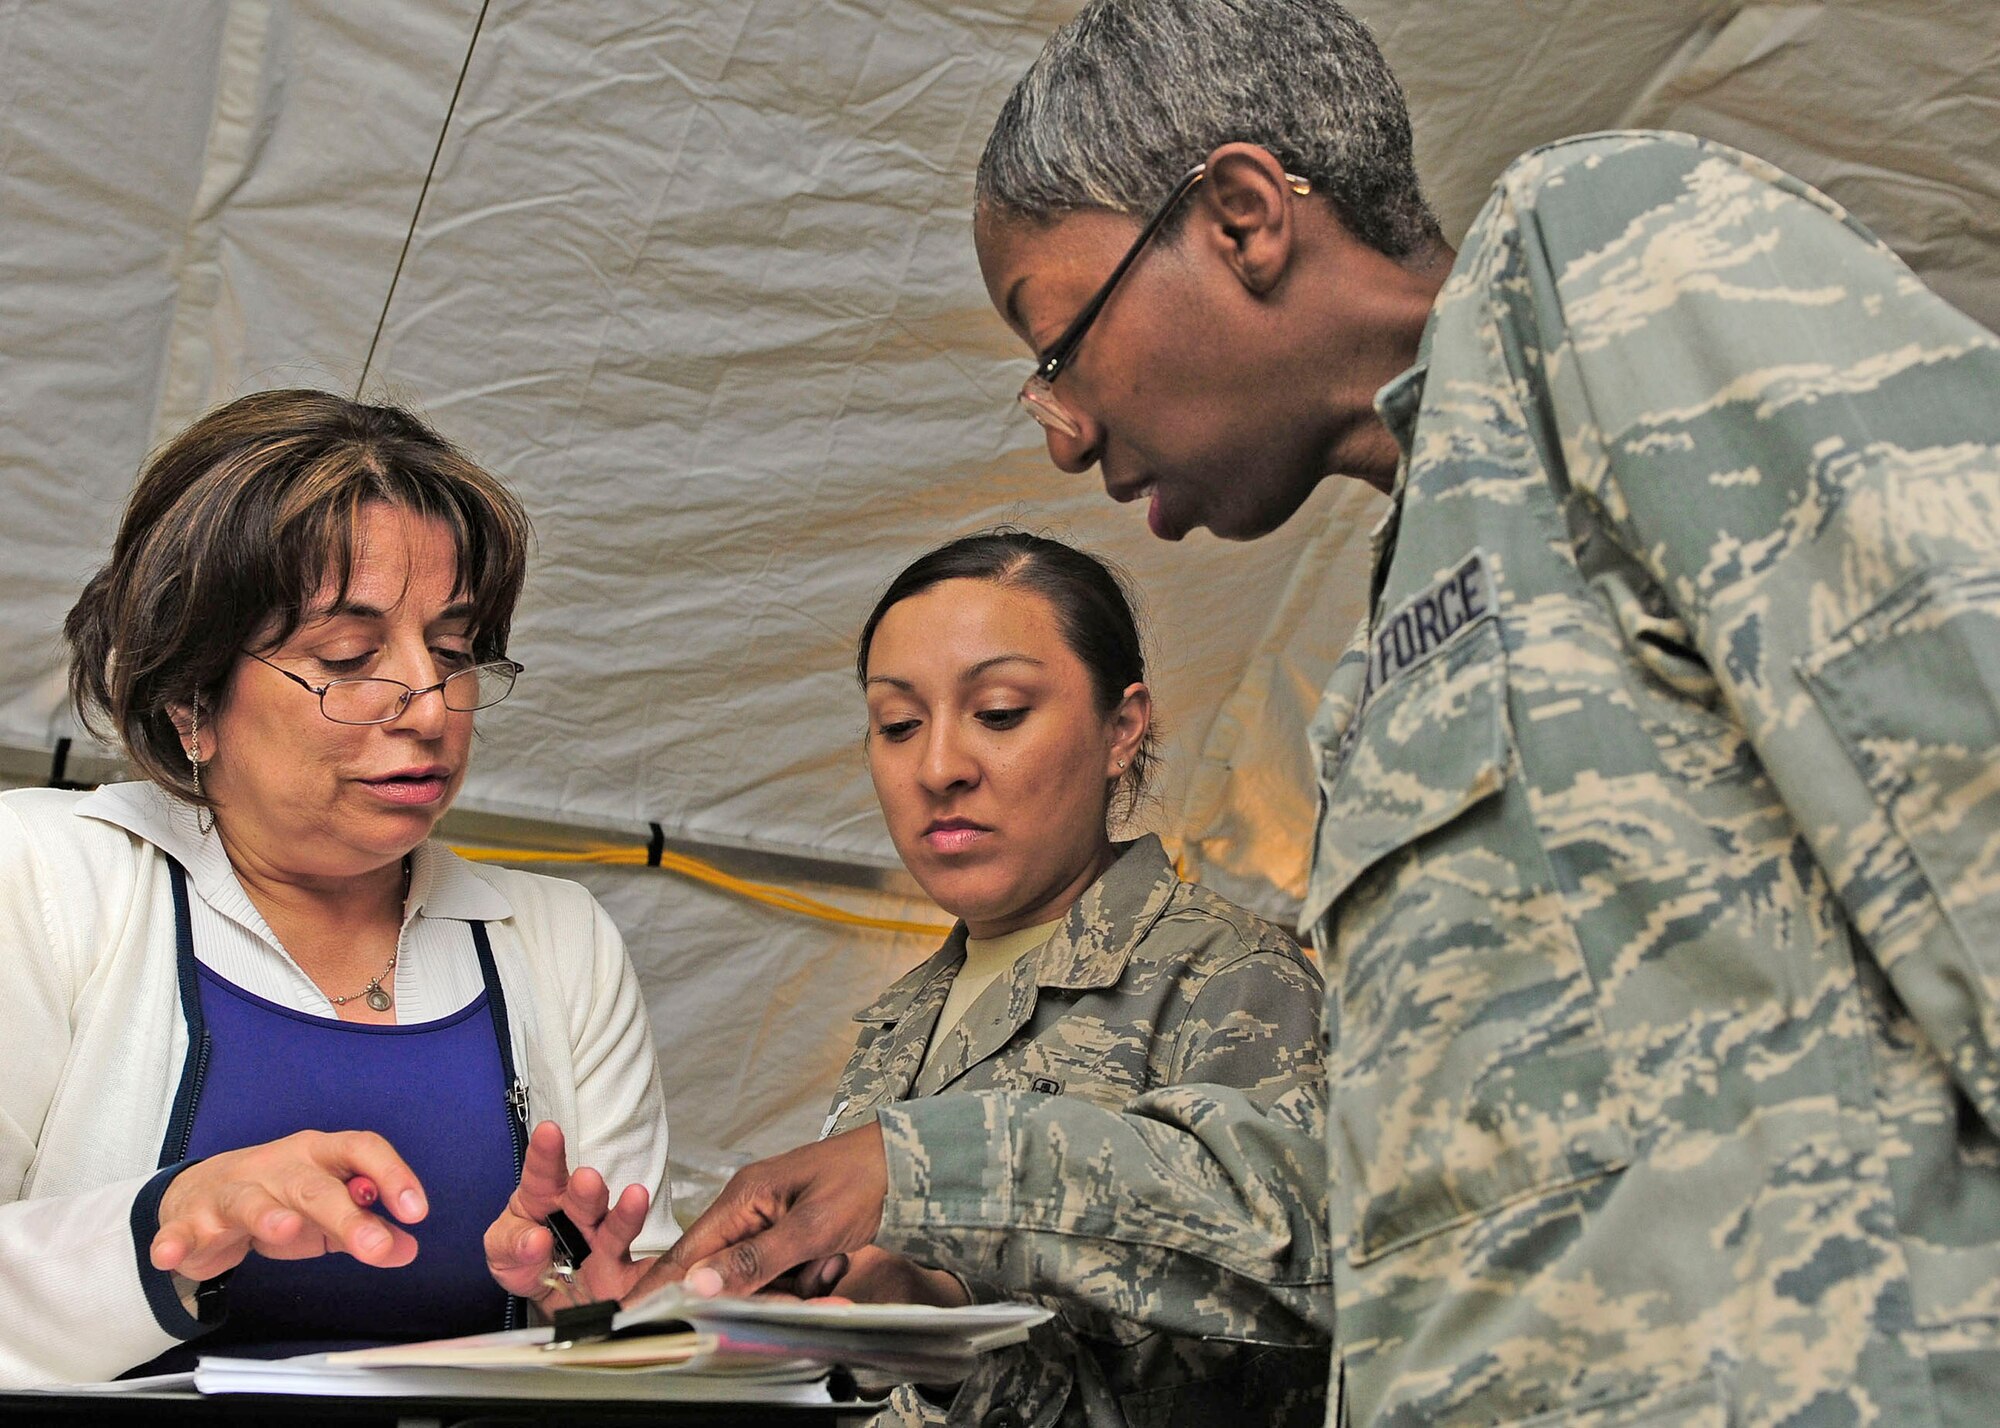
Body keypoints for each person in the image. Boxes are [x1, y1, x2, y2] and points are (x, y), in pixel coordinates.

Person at [648, 3, 2000, 1426]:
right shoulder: (1406, 621)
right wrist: (929, 1179)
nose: (1058, 426)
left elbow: (1967, 745)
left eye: (1061, 342)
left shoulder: (1601, 254)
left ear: (1240, 216)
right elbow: (1393, 1206)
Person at [488, 529, 1329, 1428]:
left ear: (1122, 729)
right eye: (897, 725)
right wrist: (671, 1333)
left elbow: (1311, 1293)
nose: (939, 768)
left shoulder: (1231, 979)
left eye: (1000, 712)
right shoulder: (907, 1020)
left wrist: (934, 1199)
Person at [0, 389, 675, 1385]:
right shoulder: (40, 878)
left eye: (452, 651)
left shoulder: (555, 939)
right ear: (192, 699)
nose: (430, 705)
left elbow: (635, 1313)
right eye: (350, 658)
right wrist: (175, 1222)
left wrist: (603, 1324)